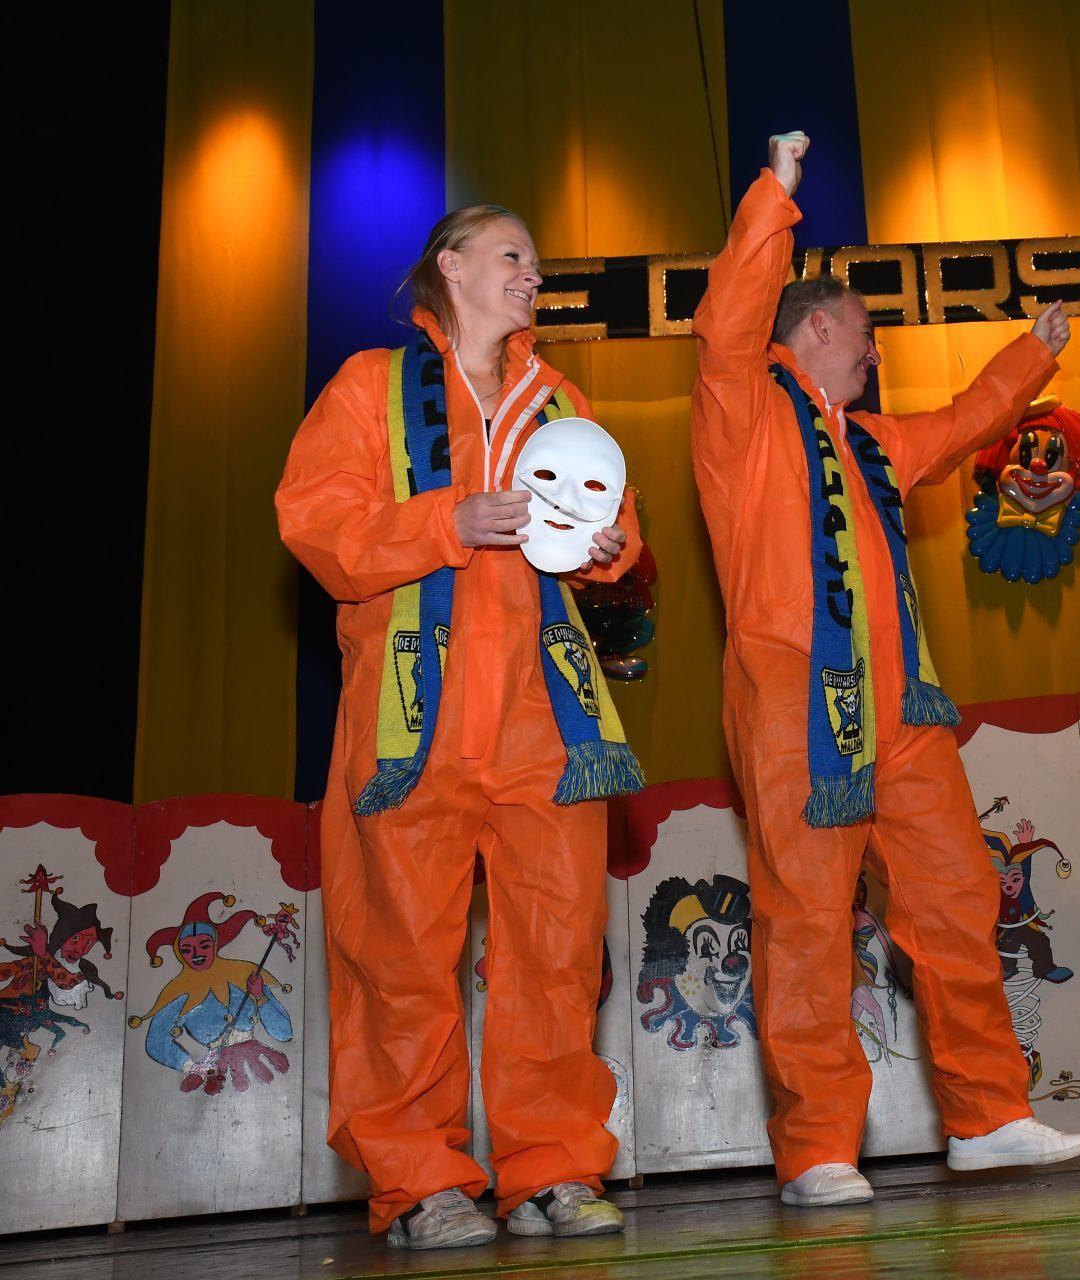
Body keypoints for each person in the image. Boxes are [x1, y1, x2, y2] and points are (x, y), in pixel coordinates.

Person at [691, 132, 1080, 1206]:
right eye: (865, 331)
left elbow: (961, 426)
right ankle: (820, 1146)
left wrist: (1030, 357)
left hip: (902, 708)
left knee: (958, 900)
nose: (874, 351)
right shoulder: (743, 412)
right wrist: (775, 198)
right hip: (793, 701)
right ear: (819, 326)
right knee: (807, 921)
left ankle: (989, 1116)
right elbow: (728, 321)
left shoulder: (869, 442)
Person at [277, 204, 646, 1247]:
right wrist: (448, 520)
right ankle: (419, 1180)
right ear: (451, 265)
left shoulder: (561, 400)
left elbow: (618, 524)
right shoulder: (370, 386)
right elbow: (316, 523)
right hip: (413, 718)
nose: (534, 274)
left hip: (545, 721)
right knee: (398, 956)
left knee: (558, 953)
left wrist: (612, 547)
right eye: (513, 254)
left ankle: (553, 1168)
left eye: (536, 261)